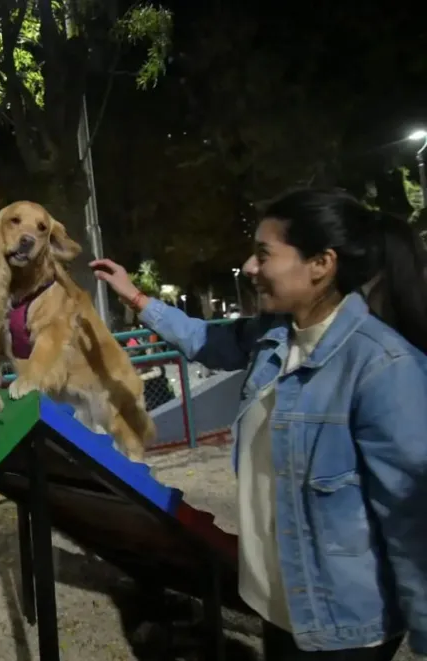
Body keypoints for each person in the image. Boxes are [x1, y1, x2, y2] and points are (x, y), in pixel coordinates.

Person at [92, 188, 427, 660]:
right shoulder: (274, 337)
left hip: (340, 624)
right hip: (278, 603)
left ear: (320, 264)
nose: (250, 267)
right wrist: (136, 297)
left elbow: (413, 521)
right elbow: (205, 339)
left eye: (264, 254)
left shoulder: (383, 368)